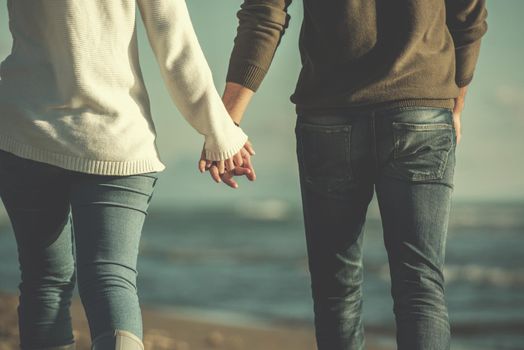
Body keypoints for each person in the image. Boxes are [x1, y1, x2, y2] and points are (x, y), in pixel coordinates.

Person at [207, 0, 488, 349]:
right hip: (422, 106)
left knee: (336, 289)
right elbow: (468, 14)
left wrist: (228, 120)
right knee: (420, 285)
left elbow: (265, 12)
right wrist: (457, 100)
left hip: (331, 113)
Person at [0, 1, 253, 349]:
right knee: (110, 279)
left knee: (44, 282)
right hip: (115, 137)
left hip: (24, 128)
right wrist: (218, 131)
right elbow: (172, 40)